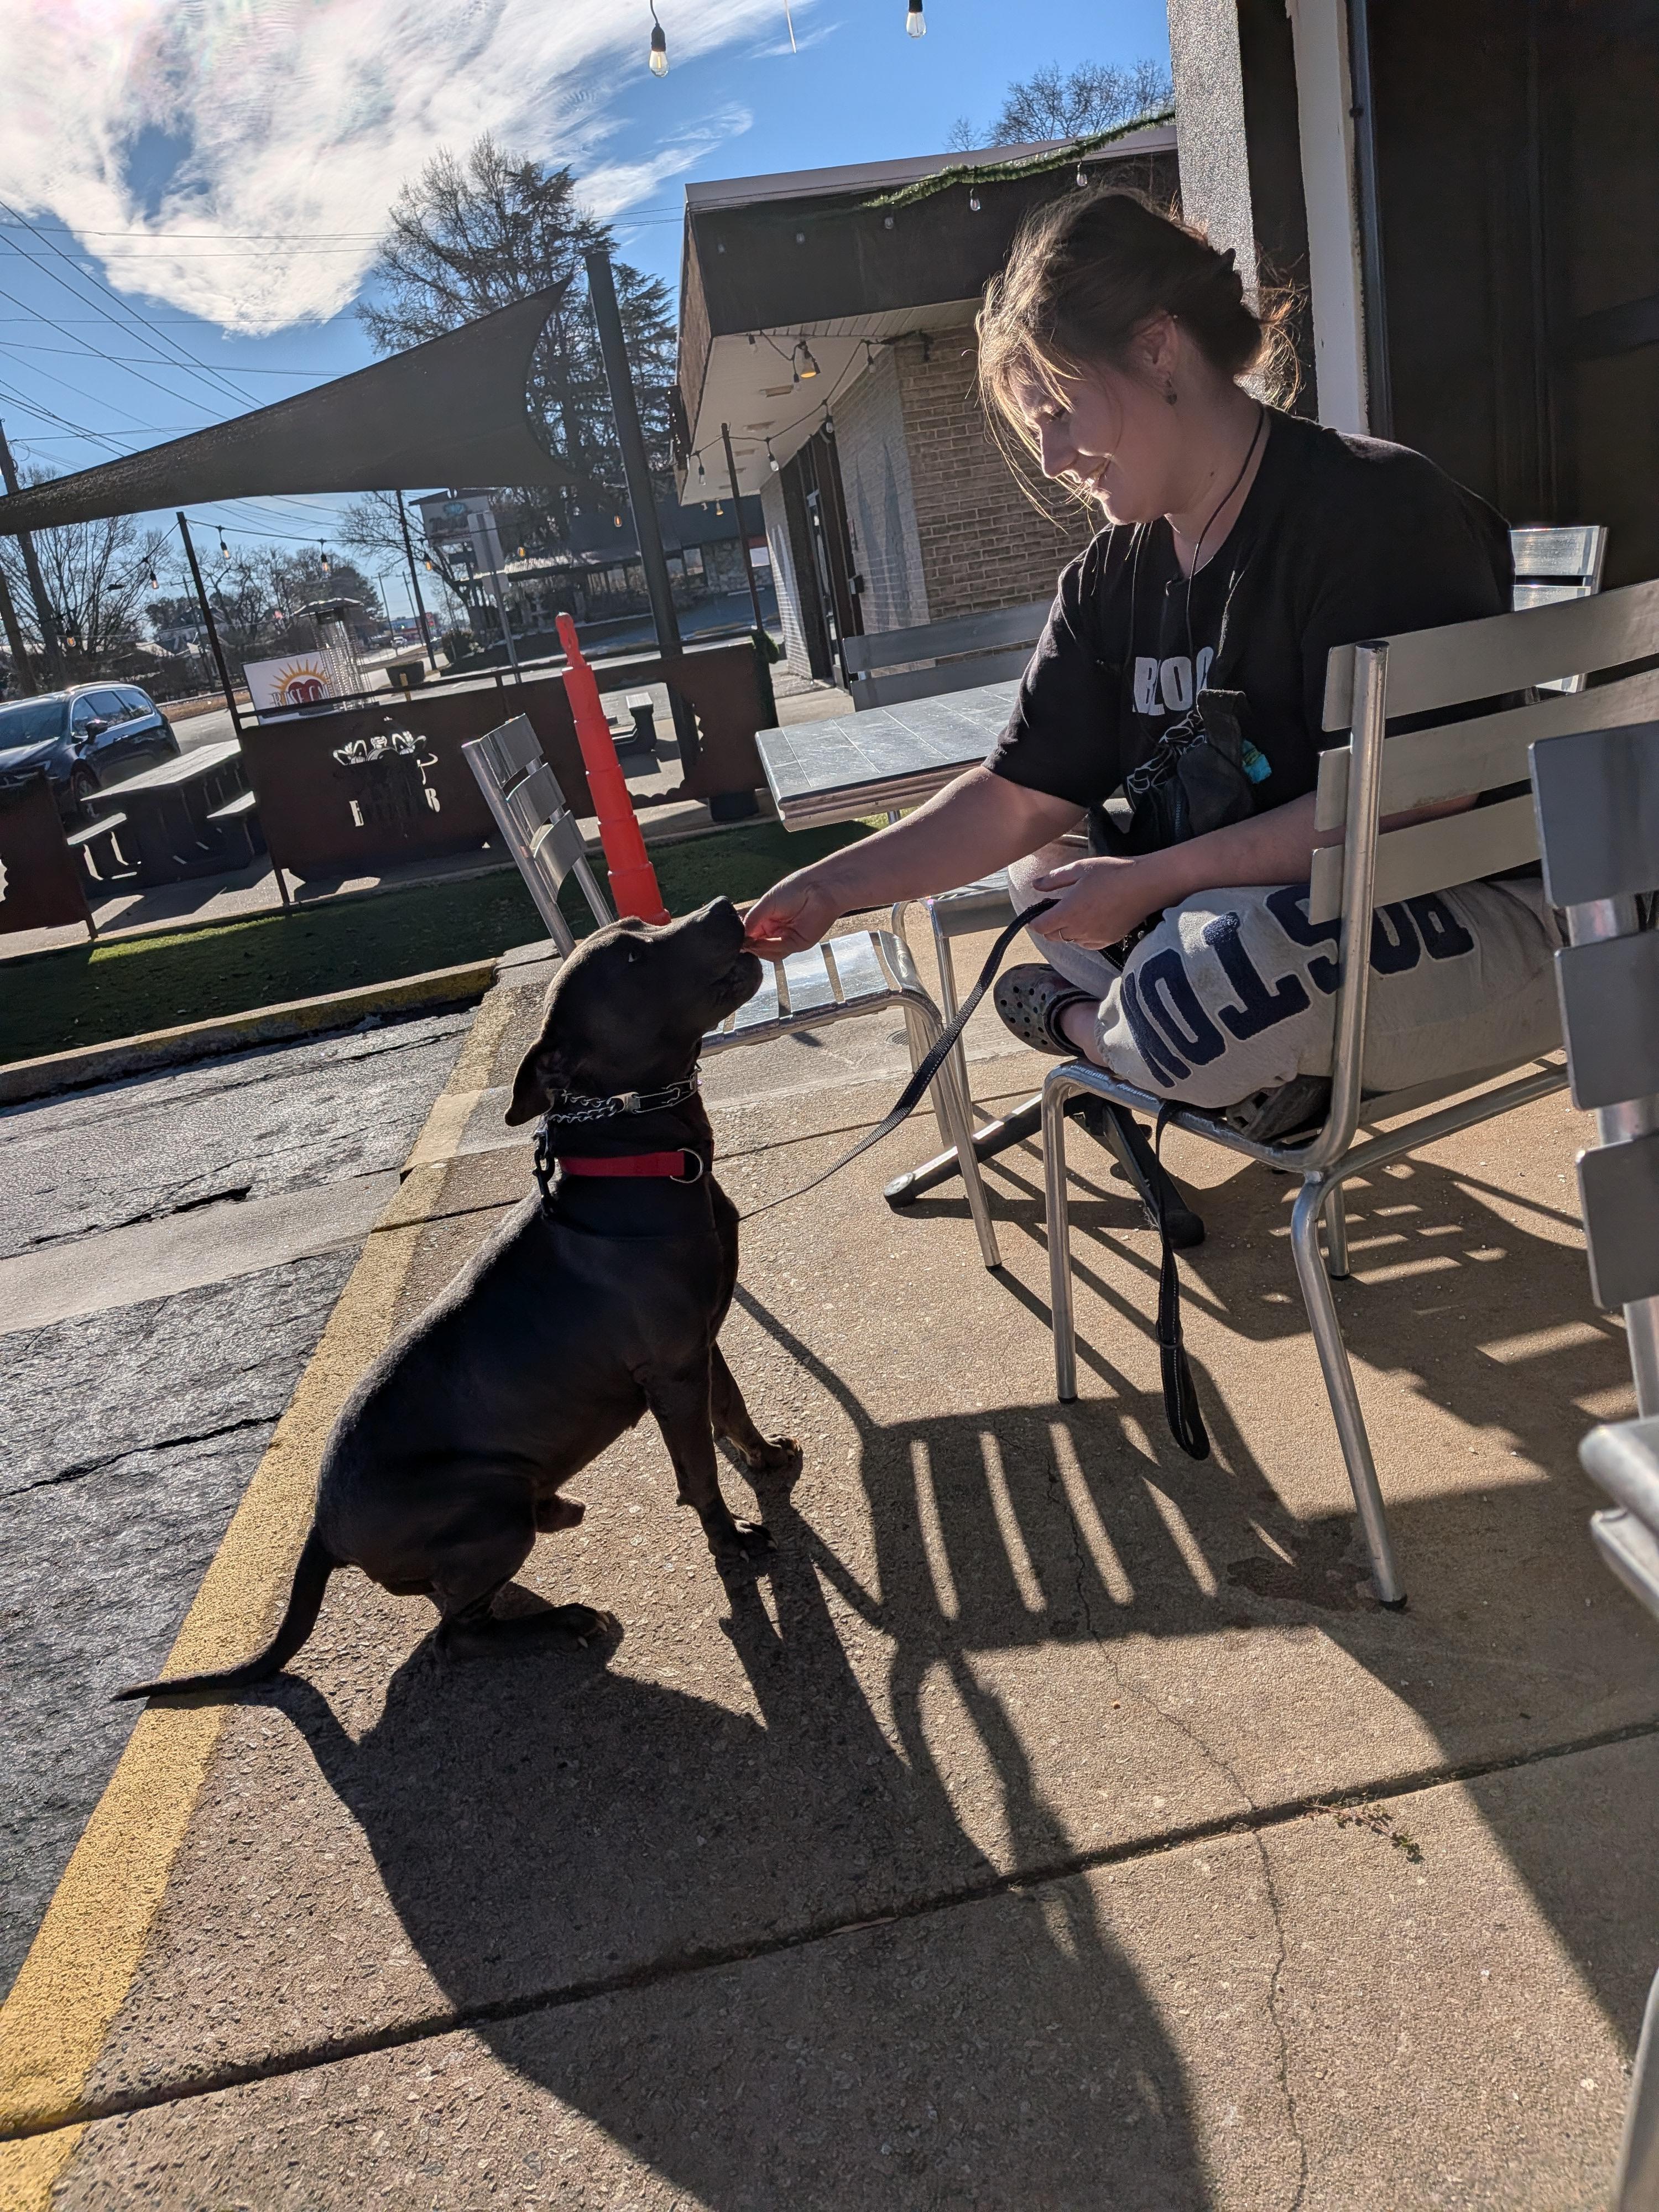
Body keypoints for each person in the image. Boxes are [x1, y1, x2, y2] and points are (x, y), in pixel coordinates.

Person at [742, 191, 1561, 1140]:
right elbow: (1014, 800)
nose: (1048, 457)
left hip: (1457, 908)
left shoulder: (1376, 509)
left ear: (1158, 348)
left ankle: (1090, 1028)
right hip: (1264, 917)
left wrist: (1158, 881)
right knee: (1042, 875)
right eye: (1030, 425)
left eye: (1056, 409)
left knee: (1187, 993)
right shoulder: (1108, 579)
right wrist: (830, 887)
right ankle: (1212, 1053)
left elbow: (1419, 800)